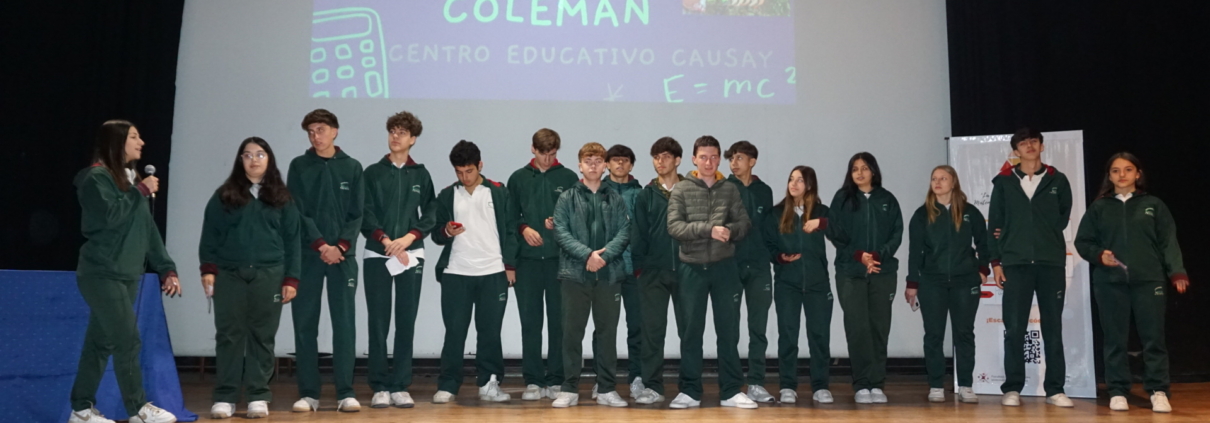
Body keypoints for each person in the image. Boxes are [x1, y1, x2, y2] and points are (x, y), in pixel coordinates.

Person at [69, 119, 179, 423]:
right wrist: (139, 191)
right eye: (133, 137)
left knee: (100, 344)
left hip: (126, 273)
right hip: (102, 273)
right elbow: (109, 216)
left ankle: (81, 410)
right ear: (116, 142)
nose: (141, 142)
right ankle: (138, 409)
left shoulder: (130, 182)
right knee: (127, 340)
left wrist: (166, 268)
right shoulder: (95, 179)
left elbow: (147, 230)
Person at [1074, 152, 1188, 413]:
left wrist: (1177, 272)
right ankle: (1117, 391)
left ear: (1138, 174)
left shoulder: (1154, 205)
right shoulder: (1099, 208)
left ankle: (1158, 390)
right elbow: (1084, 242)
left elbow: (1168, 241)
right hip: (1110, 283)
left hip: (1149, 280)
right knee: (1114, 339)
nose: (1122, 175)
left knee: (1153, 338)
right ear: (1109, 176)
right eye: (1116, 171)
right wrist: (1099, 255)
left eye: (1127, 169)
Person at [199, 137, 300, 419]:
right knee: (229, 335)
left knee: (262, 336)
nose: (254, 160)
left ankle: (258, 395)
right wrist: (208, 270)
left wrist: (291, 279)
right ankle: (225, 396)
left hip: (269, 274)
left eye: (259, 154)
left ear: (269, 159)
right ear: (240, 160)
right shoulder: (224, 195)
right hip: (229, 275)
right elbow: (210, 236)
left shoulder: (282, 198)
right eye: (247, 155)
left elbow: (293, 241)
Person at [666, 135, 757, 409]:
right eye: (703, 157)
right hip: (691, 268)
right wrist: (709, 230)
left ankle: (731, 390)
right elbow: (674, 226)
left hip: (724, 268)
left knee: (728, 331)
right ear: (694, 159)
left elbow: (744, 222)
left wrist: (730, 231)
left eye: (714, 157)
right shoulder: (681, 189)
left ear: (719, 159)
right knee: (690, 332)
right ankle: (690, 391)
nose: (709, 162)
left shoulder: (729, 189)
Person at [987, 128, 1074, 408]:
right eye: (1023, 143)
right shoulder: (1003, 182)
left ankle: (1055, 389)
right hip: (1016, 264)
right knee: (1014, 328)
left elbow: (1062, 218)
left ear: (1041, 146)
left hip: (1050, 264)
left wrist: (1041, 235)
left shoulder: (1058, 180)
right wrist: (996, 263)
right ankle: (1012, 388)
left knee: (1053, 328)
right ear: (1015, 151)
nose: (1029, 146)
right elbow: (995, 224)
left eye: (1033, 141)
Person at [286, 109, 365, 413]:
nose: (315, 136)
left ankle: (346, 392)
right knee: (305, 324)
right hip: (309, 256)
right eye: (310, 131)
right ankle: (309, 393)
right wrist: (320, 244)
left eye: (320, 130)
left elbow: (357, 214)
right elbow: (297, 211)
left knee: (344, 324)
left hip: (343, 257)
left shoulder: (352, 167)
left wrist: (340, 245)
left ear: (335, 131)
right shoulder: (299, 166)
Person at [359, 111, 436, 409]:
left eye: (402, 132)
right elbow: (365, 212)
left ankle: (400, 385)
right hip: (377, 253)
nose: (395, 136)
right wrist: (385, 240)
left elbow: (430, 214)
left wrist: (408, 238)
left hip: (411, 255)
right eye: (392, 131)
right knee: (378, 321)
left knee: (406, 320)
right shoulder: (372, 172)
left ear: (413, 139)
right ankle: (379, 385)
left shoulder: (421, 175)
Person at [430, 140, 517, 404]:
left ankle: (489, 383)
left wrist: (509, 265)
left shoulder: (499, 192)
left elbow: (511, 229)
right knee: (454, 332)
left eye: (469, 171)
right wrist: (446, 231)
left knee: (490, 332)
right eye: (459, 172)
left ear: (480, 165)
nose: (464, 177)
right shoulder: (447, 195)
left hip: (493, 272)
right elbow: (436, 234)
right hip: (456, 272)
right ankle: (448, 385)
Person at [550, 142, 633, 408]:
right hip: (574, 276)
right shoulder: (567, 197)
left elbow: (624, 232)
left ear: (605, 165)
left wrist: (603, 258)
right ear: (580, 165)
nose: (593, 165)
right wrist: (587, 255)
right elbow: (561, 231)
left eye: (598, 161)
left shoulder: (615, 198)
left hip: (608, 276)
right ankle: (569, 389)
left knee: (607, 334)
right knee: (571, 334)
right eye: (588, 161)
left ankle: (607, 388)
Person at [904, 165, 988, 404]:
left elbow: (984, 243)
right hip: (932, 282)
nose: (937, 182)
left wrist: (982, 270)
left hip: (965, 282)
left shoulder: (970, 212)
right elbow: (914, 252)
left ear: (953, 182)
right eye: (934, 179)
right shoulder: (922, 214)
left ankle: (966, 385)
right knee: (933, 335)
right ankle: (936, 385)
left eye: (943, 178)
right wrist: (912, 282)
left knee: (964, 334)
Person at [507, 128, 579, 400]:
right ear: (533, 149)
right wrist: (524, 228)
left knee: (560, 323)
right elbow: (509, 217)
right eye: (543, 154)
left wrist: (559, 223)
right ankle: (533, 381)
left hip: (560, 262)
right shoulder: (518, 178)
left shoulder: (568, 178)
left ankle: (556, 379)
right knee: (530, 322)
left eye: (552, 154)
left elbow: (578, 217)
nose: (548, 159)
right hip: (527, 262)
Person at [828, 152, 903, 404]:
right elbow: (835, 233)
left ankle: (877, 383)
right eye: (855, 169)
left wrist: (877, 256)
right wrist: (859, 256)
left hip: (882, 272)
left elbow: (896, 233)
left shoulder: (887, 199)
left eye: (864, 168)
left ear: (873, 171)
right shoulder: (842, 199)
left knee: (879, 328)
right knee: (857, 328)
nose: (859, 173)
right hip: (851, 272)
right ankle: (861, 384)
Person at [763, 166, 837, 404]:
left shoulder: (822, 212)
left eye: (800, 180)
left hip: (818, 284)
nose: (793, 184)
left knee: (819, 336)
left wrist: (821, 223)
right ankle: (787, 385)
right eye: (791, 179)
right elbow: (767, 244)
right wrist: (780, 257)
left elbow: (842, 230)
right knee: (788, 335)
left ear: (810, 185)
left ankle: (820, 386)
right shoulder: (776, 214)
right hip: (787, 283)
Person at [631, 137, 687, 405]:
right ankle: (653, 386)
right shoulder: (646, 194)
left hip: (688, 271)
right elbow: (638, 234)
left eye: (665, 156)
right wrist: (640, 269)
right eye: (656, 157)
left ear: (677, 160)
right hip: (653, 273)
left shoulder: (691, 191)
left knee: (689, 331)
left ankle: (689, 387)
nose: (660, 161)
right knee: (652, 332)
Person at [724, 140, 776, 403]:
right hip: (730, 266)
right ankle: (732, 385)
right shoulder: (723, 189)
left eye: (739, 158)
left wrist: (777, 255)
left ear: (752, 161)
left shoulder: (764, 191)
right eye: (731, 158)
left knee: (758, 328)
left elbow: (769, 228)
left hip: (759, 266)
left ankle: (756, 382)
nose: (734, 163)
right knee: (730, 328)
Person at [601, 144, 645, 399]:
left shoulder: (642, 194)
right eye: (615, 160)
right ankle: (603, 380)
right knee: (604, 329)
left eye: (625, 160)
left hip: (635, 272)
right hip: (606, 270)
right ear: (607, 164)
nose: (620, 164)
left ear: (631, 165)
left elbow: (647, 231)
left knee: (637, 327)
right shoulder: (597, 191)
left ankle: (637, 378)